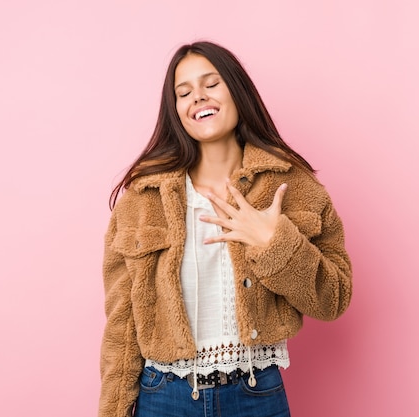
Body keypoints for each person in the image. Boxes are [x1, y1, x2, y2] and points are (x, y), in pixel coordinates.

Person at [99, 41, 352, 417]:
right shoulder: (142, 199)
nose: (198, 97)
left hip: (257, 395)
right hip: (163, 397)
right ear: (176, 112)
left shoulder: (293, 185)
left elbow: (334, 300)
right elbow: (122, 324)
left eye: (211, 84)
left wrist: (274, 244)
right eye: (183, 93)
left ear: (237, 90)